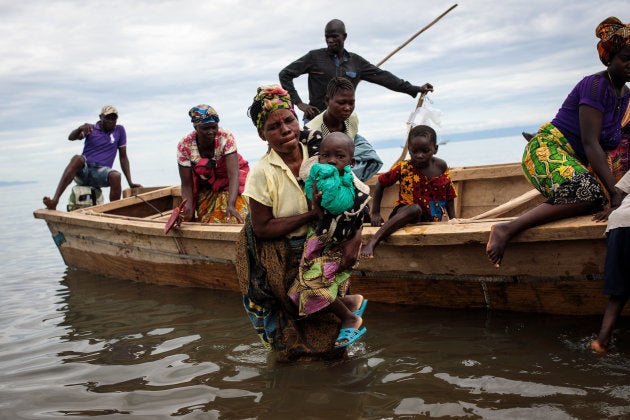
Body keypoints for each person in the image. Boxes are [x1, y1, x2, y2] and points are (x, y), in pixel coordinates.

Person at [486, 17, 630, 268]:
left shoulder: (625, 95)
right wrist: (614, 193)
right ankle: (505, 229)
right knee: (587, 191)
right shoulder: (595, 85)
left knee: (592, 197)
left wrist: (615, 196)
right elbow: (590, 143)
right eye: (625, 57)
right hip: (544, 152)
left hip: (573, 162)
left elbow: (613, 149)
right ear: (609, 58)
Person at [234, 84, 364, 361]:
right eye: (273, 127)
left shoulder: (323, 151)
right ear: (262, 135)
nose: (284, 130)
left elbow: (355, 195)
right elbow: (262, 228)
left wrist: (356, 239)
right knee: (294, 342)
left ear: (297, 119)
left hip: (330, 245)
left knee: (335, 346)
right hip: (288, 259)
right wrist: (310, 215)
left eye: (288, 120)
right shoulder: (261, 173)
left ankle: (342, 386)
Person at [287, 132, 371, 348]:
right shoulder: (317, 180)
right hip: (316, 243)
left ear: (351, 162)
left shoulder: (355, 187)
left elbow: (362, 213)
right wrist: (315, 203)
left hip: (337, 245)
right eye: (326, 156)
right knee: (299, 292)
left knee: (311, 286)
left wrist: (356, 238)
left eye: (339, 156)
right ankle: (350, 302)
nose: (332, 161)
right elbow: (318, 213)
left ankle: (350, 317)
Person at [279, 19, 433, 121]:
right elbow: (285, 74)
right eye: (327, 37)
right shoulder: (314, 57)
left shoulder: (356, 62)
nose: (330, 41)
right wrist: (299, 103)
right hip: (317, 119)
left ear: (344, 37)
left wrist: (416, 89)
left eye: (334, 37)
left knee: (361, 159)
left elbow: (384, 78)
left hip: (344, 122)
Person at [361, 124, 456, 258]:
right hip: (404, 213)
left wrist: (453, 219)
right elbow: (381, 183)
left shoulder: (441, 166)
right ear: (409, 150)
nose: (419, 156)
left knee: (418, 210)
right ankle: (374, 241)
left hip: (430, 218)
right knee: (414, 209)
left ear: (435, 149)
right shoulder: (404, 167)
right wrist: (375, 212)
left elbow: (449, 194)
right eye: (414, 151)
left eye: (425, 151)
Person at [43, 105, 141, 210]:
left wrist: (130, 182)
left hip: (101, 172)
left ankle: (114, 212)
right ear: (100, 117)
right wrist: (79, 128)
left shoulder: (119, 130)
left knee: (116, 176)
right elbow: (71, 137)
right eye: (108, 118)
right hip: (85, 170)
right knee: (77, 158)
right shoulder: (91, 128)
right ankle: (54, 201)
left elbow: (123, 157)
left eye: (114, 118)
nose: (111, 121)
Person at [177, 104, 249, 223]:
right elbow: (187, 184)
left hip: (230, 182)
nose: (211, 132)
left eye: (214, 127)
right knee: (202, 217)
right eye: (205, 128)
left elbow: (233, 175)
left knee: (237, 213)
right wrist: (187, 210)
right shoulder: (184, 145)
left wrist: (230, 205)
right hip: (207, 184)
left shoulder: (226, 137)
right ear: (196, 128)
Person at [306, 77, 383, 181]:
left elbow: (353, 139)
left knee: (372, 159)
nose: (347, 108)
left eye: (351, 103)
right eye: (342, 103)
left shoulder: (352, 118)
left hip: (348, 151)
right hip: (327, 162)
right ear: (327, 100)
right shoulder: (312, 131)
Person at [591, 169, 630, 354]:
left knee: (618, 294)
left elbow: (619, 194)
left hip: (619, 225)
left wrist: (612, 209)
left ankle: (601, 341)